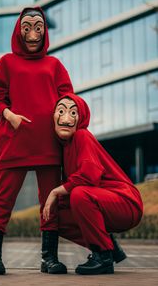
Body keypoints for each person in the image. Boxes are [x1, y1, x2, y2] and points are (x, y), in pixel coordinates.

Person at [0, 7, 74, 275]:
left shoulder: (54, 65)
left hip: (48, 143)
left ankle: (49, 258)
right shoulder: (6, 63)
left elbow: (68, 99)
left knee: (50, 200)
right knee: (3, 199)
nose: (33, 33)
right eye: (27, 27)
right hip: (15, 141)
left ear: (45, 30)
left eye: (38, 27)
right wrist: (9, 115)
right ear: (18, 30)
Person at [43, 93, 143, 275]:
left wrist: (55, 192)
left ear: (81, 118)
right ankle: (109, 246)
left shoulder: (82, 136)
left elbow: (89, 175)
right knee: (54, 215)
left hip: (126, 202)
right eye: (61, 111)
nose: (66, 118)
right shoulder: (65, 147)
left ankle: (103, 257)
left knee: (79, 194)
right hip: (103, 203)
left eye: (73, 113)